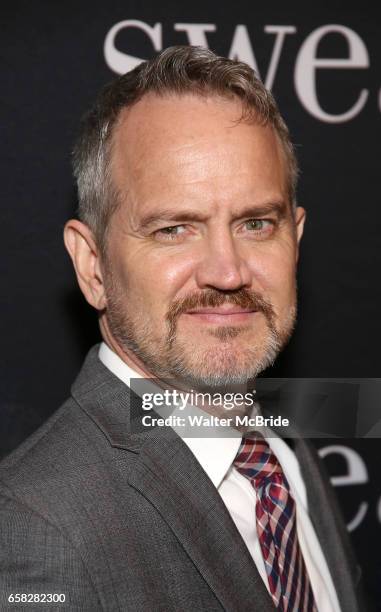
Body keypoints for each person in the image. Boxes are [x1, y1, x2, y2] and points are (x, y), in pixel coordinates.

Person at [0, 46, 368, 611]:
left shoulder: (281, 445)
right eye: (174, 229)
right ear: (92, 265)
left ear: (295, 237)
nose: (227, 271)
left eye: (255, 223)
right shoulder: (35, 531)